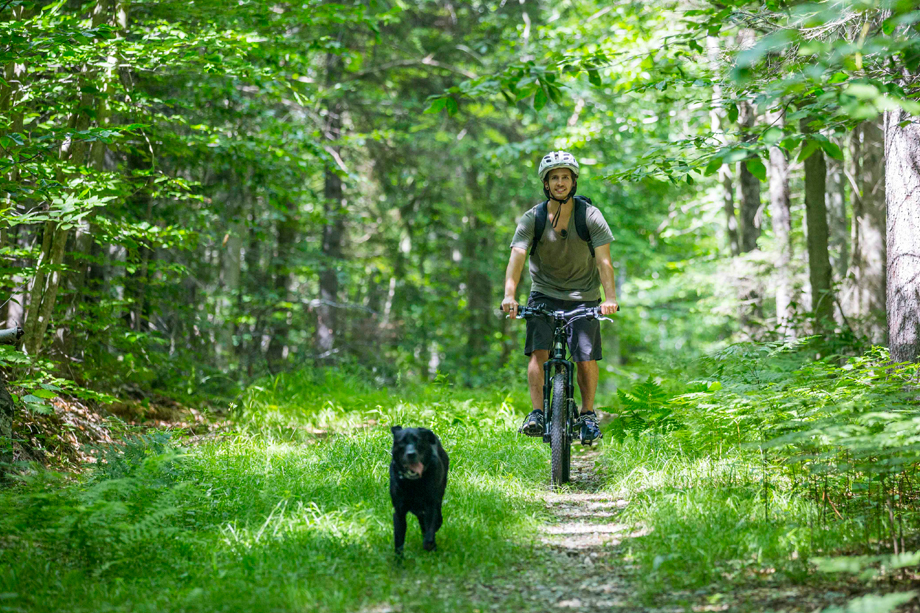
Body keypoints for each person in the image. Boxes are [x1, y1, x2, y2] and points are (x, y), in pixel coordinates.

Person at [501, 151, 619, 442]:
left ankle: (588, 414)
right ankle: (538, 413)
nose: (560, 182)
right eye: (554, 177)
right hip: (544, 293)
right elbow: (517, 256)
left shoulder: (590, 215)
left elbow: (604, 261)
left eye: (565, 177)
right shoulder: (534, 217)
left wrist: (609, 298)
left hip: (584, 296)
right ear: (546, 183)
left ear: (573, 181)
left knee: (585, 357)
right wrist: (509, 295)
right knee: (538, 353)